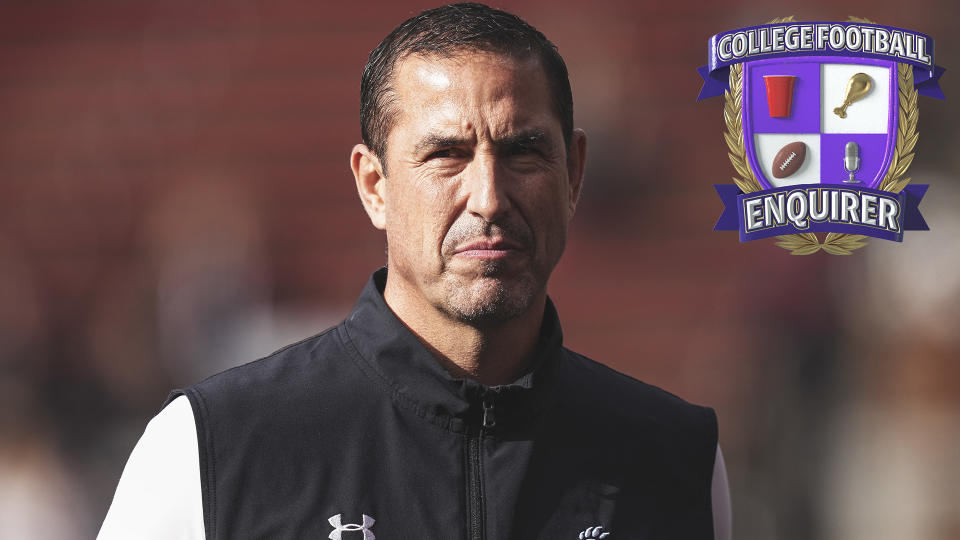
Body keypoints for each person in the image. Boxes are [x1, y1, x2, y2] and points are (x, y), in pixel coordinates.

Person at [98, 3, 731, 539]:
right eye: (446, 154)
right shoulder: (214, 448)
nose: (488, 195)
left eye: (523, 151)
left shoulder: (676, 460)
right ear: (374, 185)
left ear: (575, 174)